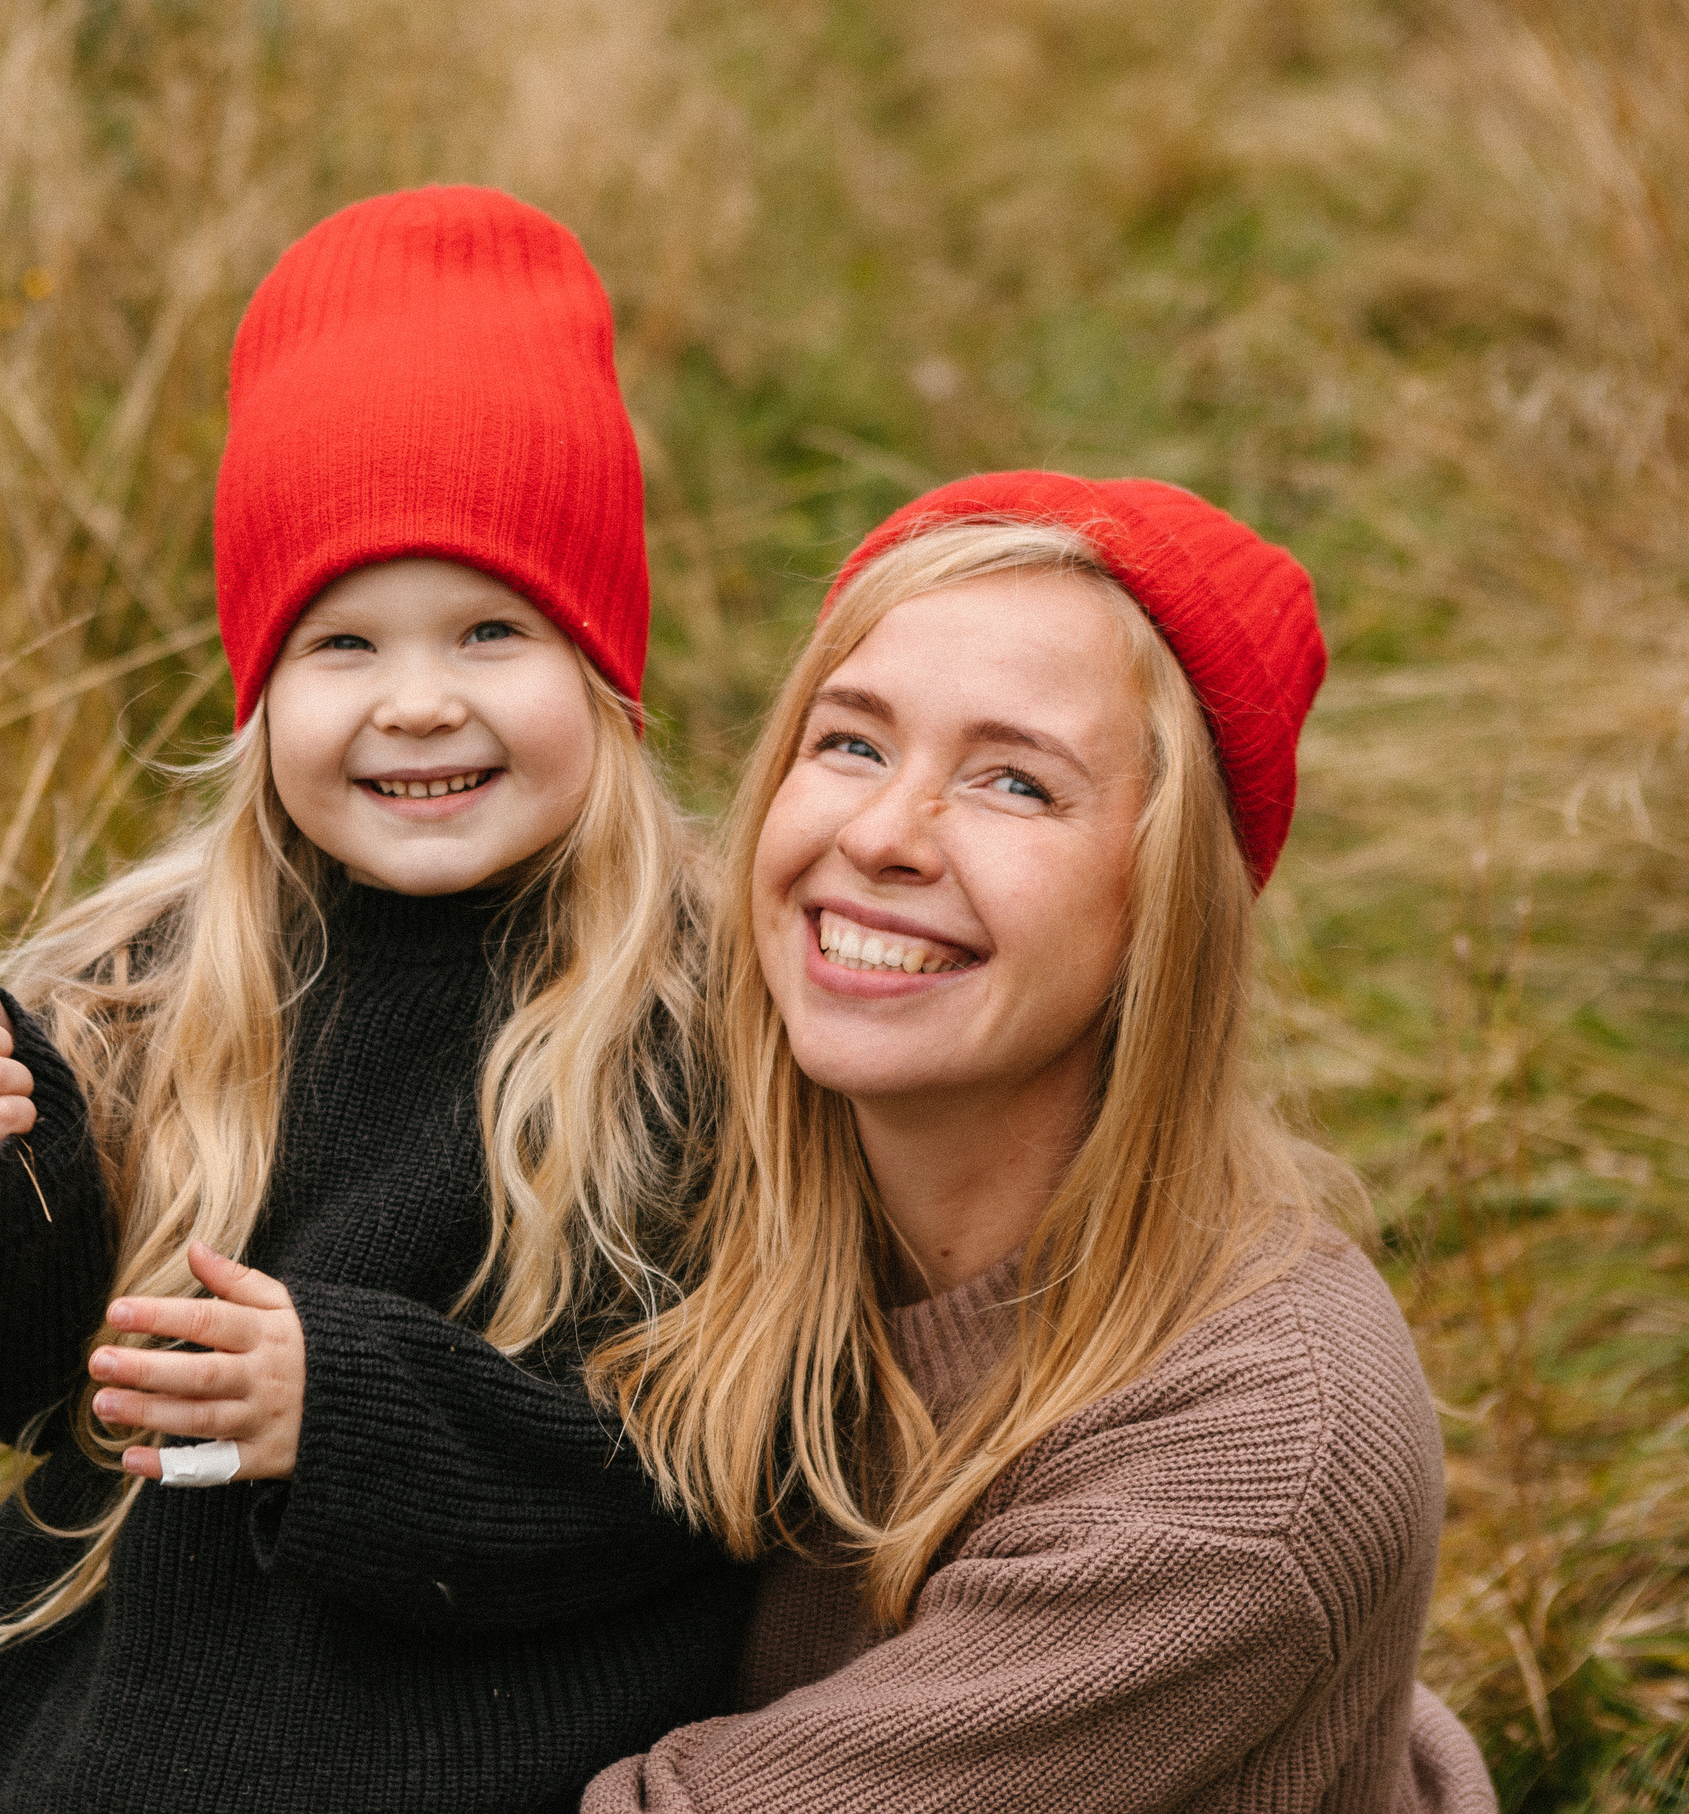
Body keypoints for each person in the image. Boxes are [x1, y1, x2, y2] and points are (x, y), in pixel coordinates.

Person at [0, 186, 749, 1814]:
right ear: (261, 686)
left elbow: (720, 1458)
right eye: (342, 642)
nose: (418, 700)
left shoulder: (695, 1008)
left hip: (489, 1748)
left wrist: (351, 1409)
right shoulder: (168, 972)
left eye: (490, 626)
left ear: (602, 661)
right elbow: (48, 1378)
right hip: (134, 1741)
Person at [580, 473, 1498, 1813]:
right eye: (849, 743)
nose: (884, 834)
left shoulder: (1256, 1445)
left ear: (1165, 906)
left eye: (1015, 781)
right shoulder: (696, 1154)